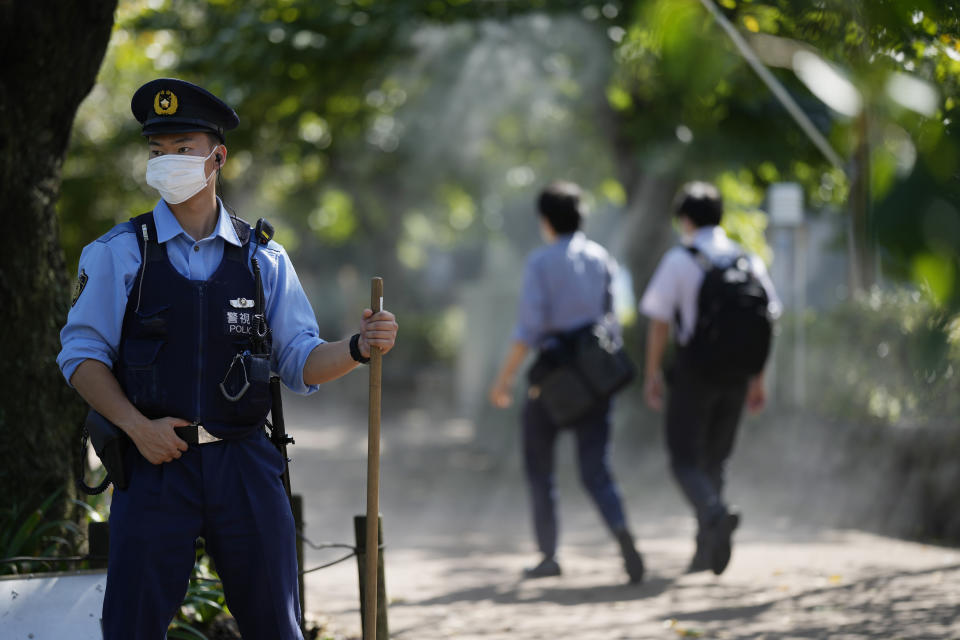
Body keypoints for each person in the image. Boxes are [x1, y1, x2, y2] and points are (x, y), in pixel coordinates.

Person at [57, 78, 399, 639]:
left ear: (217, 157)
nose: (167, 162)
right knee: (132, 627)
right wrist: (136, 428)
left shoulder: (264, 258)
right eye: (156, 151)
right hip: (153, 466)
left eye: (182, 148)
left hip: (245, 465)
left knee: (275, 626)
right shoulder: (118, 253)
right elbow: (81, 357)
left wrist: (360, 348)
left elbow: (300, 360)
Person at [489, 181, 644, 583]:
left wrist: (503, 381)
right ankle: (622, 531)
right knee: (597, 470)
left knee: (540, 468)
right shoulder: (601, 258)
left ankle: (549, 555)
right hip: (596, 378)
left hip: (555, 381)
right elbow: (613, 323)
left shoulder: (541, 263)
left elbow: (528, 331)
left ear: (545, 221)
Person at [639, 181, 780, 575]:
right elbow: (767, 319)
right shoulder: (747, 260)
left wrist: (652, 374)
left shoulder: (680, 260)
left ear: (685, 219)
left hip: (695, 372)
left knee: (684, 460)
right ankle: (705, 551)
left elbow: (659, 322)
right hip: (737, 375)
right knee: (715, 461)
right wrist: (758, 378)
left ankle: (714, 515)